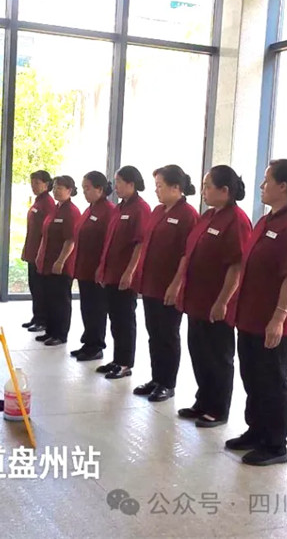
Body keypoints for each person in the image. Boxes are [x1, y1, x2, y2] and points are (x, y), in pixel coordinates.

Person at [225, 159, 287, 466]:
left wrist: (278, 318)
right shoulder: (265, 221)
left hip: (272, 319)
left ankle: (275, 444)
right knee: (252, 376)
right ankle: (256, 431)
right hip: (250, 315)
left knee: (272, 381)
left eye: (267, 180)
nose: (262, 186)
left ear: (283, 186)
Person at [169, 165, 251, 428]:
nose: (203, 191)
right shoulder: (208, 217)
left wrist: (223, 300)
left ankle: (218, 408)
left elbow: (236, 266)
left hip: (216, 301)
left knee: (218, 356)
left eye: (207, 186)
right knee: (199, 352)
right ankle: (202, 401)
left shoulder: (236, 220)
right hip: (196, 299)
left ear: (224, 190)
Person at [131, 165, 199, 403]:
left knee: (168, 334)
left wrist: (176, 284)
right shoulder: (158, 211)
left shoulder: (188, 215)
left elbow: (186, 254)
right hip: (151, 282)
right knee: (154, 333)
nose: (156, 190)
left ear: (176, 188)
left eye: (160, 186)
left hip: (169, 284)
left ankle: (168, 383)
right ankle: (156, 378)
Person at [95, 166, 152, 380]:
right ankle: (117, 359)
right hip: (112, 272)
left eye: (119, 181)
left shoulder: (140, 208)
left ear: (131, 184)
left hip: (125, 274)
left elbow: (140, 244)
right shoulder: (119, 208)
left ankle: (126, 363)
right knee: (115, 318)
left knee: (125, 319)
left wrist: (130, 272)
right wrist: (102, 267)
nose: (115, 186)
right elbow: (110, 241)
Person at [71, 172, 116, 362]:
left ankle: (96, 345)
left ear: (100, 189)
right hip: (84, 267)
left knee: (96, 309)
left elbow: (109, 242)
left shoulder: (109, 211)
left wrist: (102, 267)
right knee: (87, 307)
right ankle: (88, 342)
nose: (84, 192)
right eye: (83, 188)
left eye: (87, 188)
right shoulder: (90, 209)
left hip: (96, 269)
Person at [35, 175, 82, 347]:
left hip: (61, 265)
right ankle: (50, 331)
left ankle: (60, 334)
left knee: (60, 300)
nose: (56, 191)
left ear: (69, 190)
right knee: (49, 298)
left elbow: (70, 240)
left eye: (60, 188)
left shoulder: (71, 211)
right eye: (54, 187)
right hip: (47, 262)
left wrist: (61, 261)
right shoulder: (56, 209)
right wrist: (40, 255)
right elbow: (45, 235)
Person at [20, 170, 55, 333]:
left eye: (37, 183)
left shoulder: (47, 203)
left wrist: (41, 252)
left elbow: (47, 231)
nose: (33, 186)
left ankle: (42, 320)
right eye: (32, 183)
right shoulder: (38, 201)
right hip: (32, 250)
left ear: (46, 184)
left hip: (40, 254)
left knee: (41, 288)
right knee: (34, 286)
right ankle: (36, 317)